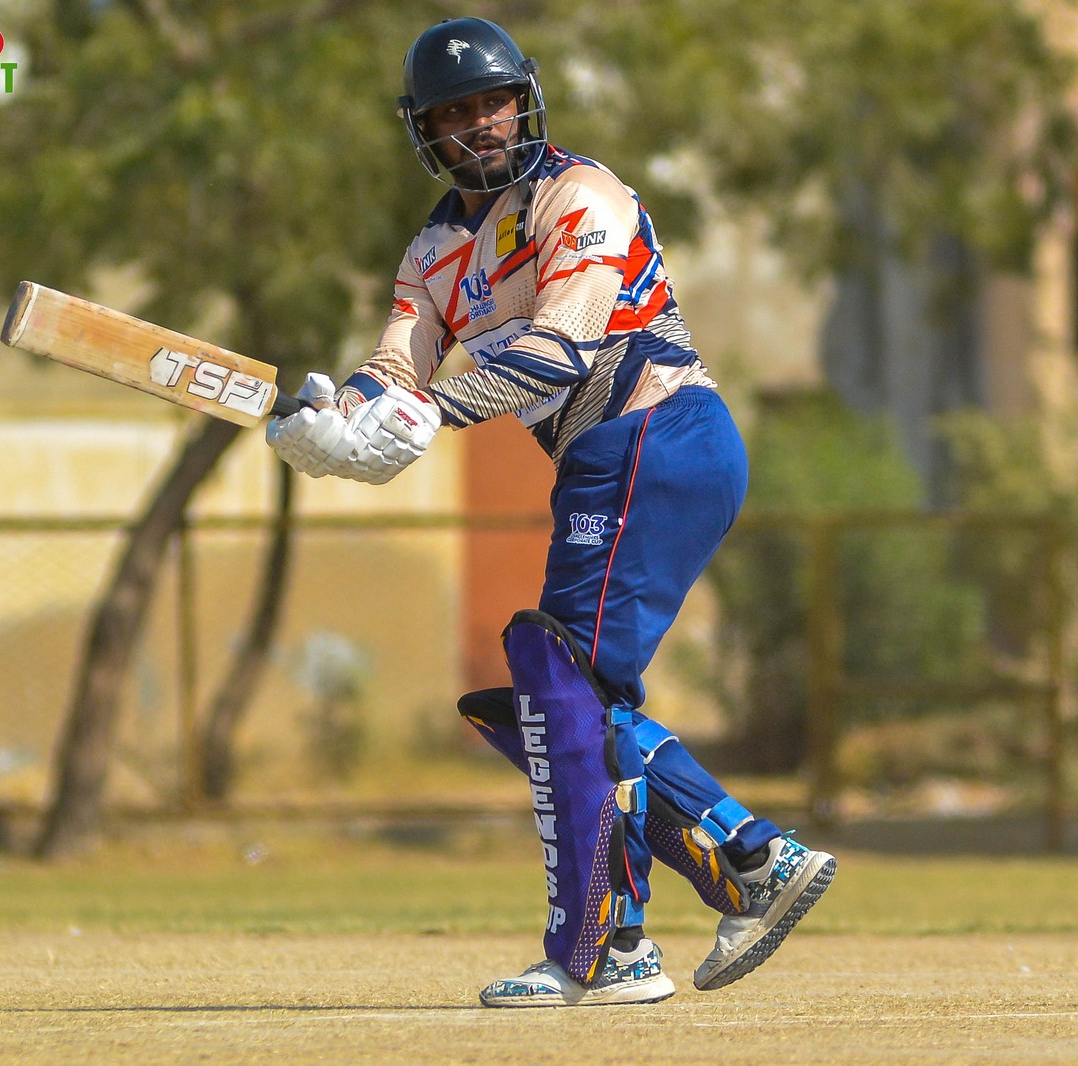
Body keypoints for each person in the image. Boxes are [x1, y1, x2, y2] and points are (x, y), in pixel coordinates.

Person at [265, 15, 835, 1008]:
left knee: (556, 678)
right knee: (550, 698)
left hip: (659, 434)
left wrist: (431, 411)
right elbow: (396, 362)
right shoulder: (433, 251)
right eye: (456, 112)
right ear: (426, 131)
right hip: (604, 463)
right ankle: (750, 859)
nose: (481, 123)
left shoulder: (582, 194)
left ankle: (605, 950)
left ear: (523, 100)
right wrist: (331, 419)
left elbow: (560, 348)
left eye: (493, 102)